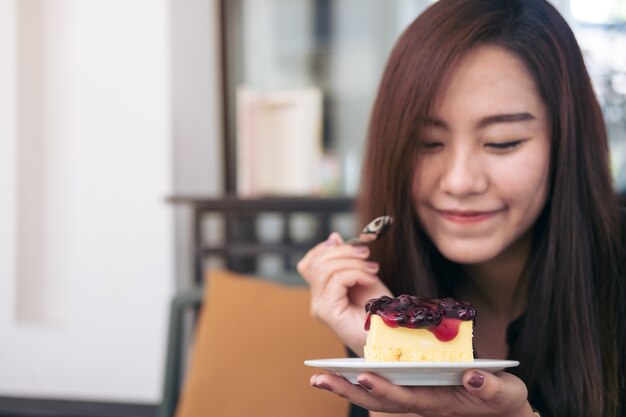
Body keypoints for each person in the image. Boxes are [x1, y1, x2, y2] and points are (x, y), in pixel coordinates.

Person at [297, 1, 626, 416]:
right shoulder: (388, 302)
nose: (459, 181)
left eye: (503, 142)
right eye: (428, 144)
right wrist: (395, 353)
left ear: (566, 143)